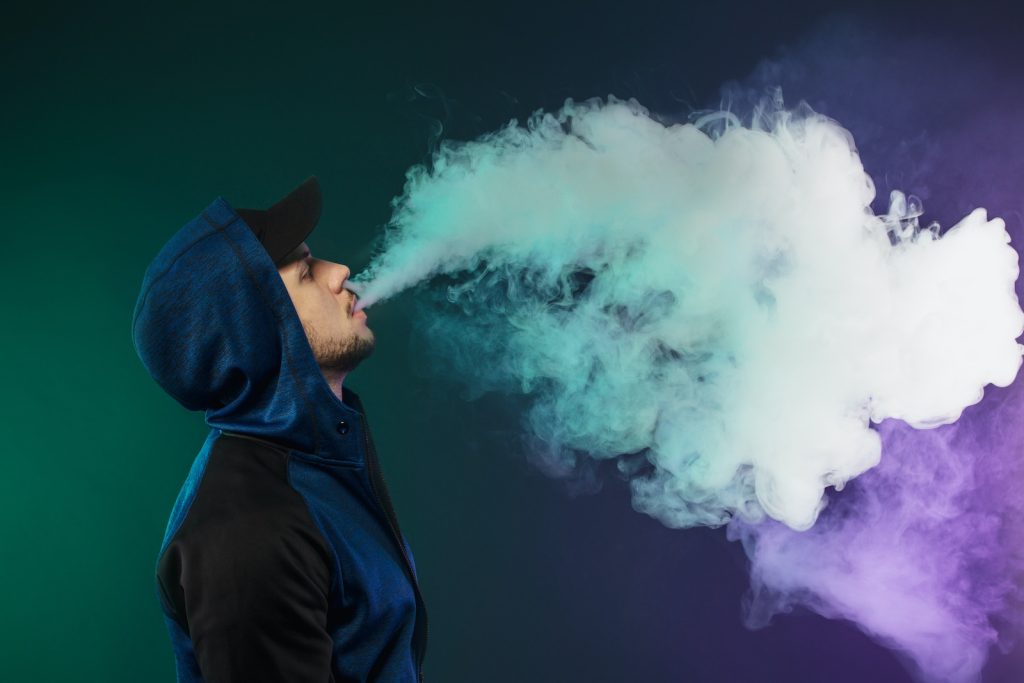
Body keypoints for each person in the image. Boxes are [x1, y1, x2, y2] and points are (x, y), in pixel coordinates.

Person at [132, 176, 428, 682]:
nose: (340, 271)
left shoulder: (312, 463)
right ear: (255, 328)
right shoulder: (249, 536)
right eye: (306, 272)